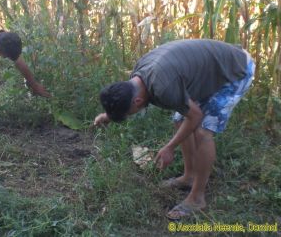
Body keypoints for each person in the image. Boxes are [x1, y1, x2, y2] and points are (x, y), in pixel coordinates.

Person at [94, 39, 254, 220]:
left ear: (137, 102)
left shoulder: (163, 86)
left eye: (129, 112)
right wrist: (109, 115)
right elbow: (136, 101)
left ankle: (197, 198)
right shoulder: (136, 79)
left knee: (203, 130)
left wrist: (170, 147)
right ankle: (189, 176)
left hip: (235, 71)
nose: (132, 113)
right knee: (180, 120)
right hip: (211, 70)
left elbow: (195, 116)